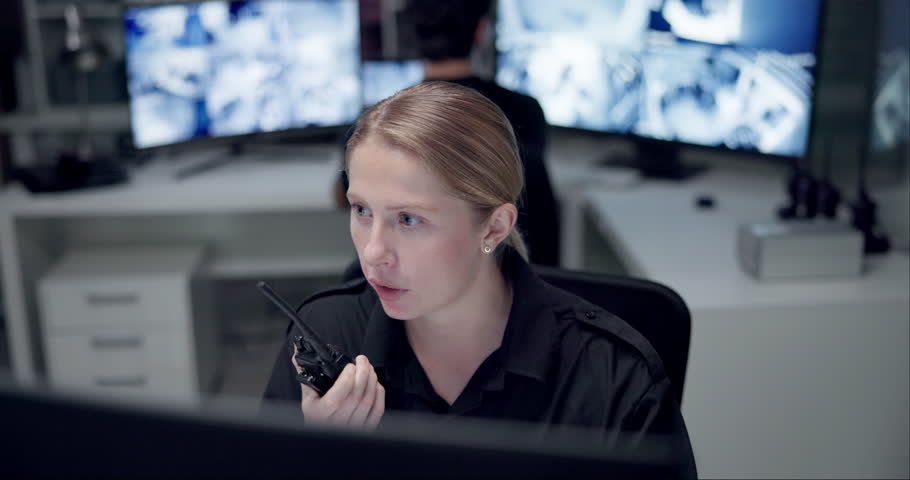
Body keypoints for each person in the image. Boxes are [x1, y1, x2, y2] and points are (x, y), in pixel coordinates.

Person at [263, 82, 695, 475]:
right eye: (362, 211)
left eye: (409, 219)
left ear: (493, 227)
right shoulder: (322, 336)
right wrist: (315, 457)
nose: (373, 251)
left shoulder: (613, 379)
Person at [335, 0, 560, 267]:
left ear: (413, 34)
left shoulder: (378, 119)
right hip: (510, 270)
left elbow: (343, 195)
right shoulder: (525, 112)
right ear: (482, 31)